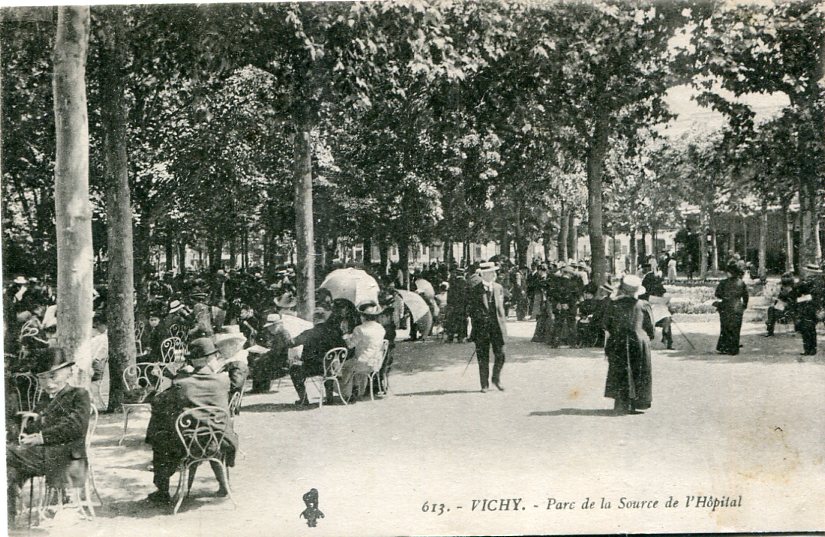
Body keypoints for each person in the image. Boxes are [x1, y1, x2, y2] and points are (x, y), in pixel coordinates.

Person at [144, 338, 238, 505]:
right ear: (211, 359)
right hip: (219, 441)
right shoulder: (223, 381)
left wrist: (174, 377)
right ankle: (224, 485)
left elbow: (158, 402)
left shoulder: (181, 383)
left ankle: (162, 491)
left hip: (188, 444)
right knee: (209, 430)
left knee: (159, 436)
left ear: (192, 361)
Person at [6, 348, 91, 521]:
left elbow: (75, 426)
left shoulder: (79, 394)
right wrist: (26, 429)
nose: (48, 383)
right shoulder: (45, 399)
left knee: (6, 453)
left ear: (68, 372)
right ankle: (8, 515)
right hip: (40, 456)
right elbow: (33, 427)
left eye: (53, 376)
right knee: (9, 469)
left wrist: (41, 437)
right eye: (43, 378)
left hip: (66, 456)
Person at [602, 275, 654, 414]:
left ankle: (621, 402)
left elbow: (606, 325)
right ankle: (636, 402)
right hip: (639, 341)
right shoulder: (643, 305)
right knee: (639, 370)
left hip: (618, 340)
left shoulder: (613, 304)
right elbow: (650, 328)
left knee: (620, 370)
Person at [288, 305, 346, 405]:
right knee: (327, 367)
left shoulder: (309, 333)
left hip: (312, 368)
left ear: (314, 319)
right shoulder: (334, 332)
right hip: (329, 368)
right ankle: (329, 398)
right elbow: (344, 348)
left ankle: (303, 399)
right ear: (324, 318)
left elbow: (292, 343)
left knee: (294, 369)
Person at [467, 261, 507, 392]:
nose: (494, 274)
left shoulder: (498, 287)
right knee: (483, 357)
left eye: (494, 271)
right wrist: (479, 319)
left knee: (501, 354)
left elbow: (501, 307)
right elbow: (471, 309)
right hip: (482, 329)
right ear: (484, 274)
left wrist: (502, 321)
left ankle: (496, 378)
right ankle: (484, 384)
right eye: (491, 272)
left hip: (497, 328)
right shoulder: (475, 289)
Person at [339, 302, 386, 402]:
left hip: (362, 363)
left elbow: (350, 345)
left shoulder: (359, 329)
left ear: (363, 316)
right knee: (359, 363)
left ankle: (346, 394)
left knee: (345, 366)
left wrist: (345, 336)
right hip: (376, 362)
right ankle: (360, 391)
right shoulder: (380, 328)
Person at [249, 313, 292, 393]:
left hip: (282, 362)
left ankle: (261, 388)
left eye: (271, 326)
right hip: (276, 358)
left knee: (261, 361)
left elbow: (278, 351)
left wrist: (265, 353)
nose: (269, 329)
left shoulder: (283, 334)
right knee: (259, 360)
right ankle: (259, 388)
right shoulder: (276, 333)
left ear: (277, 325)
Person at [714, 260, 749, 355]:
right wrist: (744, 305)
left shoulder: (723, 283)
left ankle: (724, 347)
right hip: (737, 307)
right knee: (736, 328)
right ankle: (734, 348)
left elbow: (717, 294)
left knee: (725, 327)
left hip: (725, 307)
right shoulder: (741, 283)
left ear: (729, 272)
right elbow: (746, 296)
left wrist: (725, 296)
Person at [793, 263, 824, 358]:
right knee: (812, 329)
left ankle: (808, 349)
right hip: (817, 308)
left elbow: (796, 290)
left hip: (807, 308)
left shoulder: (807, 282)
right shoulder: (821, 282)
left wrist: (800, 298)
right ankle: (813, 349)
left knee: (806, 329)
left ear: (809, 272)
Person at [640, 263, 673, 350]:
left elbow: (664, 295)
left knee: (666, 316)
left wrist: (665, 300)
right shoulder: (644, 290)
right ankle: (665, 336)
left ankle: (666, 337)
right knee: (666, 316)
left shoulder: (659, 288)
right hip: (649, 311)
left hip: (659, 311)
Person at [764, 272, 796, 337]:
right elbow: (779, 298)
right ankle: (770, 327)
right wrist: (776, 301)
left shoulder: (794, 288)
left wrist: (786, 302)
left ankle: (769, 326)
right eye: (784, 277)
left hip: (790, 308)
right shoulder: (782, 288)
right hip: (781, 307)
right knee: (771, 308)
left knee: (773, 311)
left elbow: (794, 300)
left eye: (787, 277)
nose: (785, 279)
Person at [530, 264, 554, 343]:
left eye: (541, 271)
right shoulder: (537, 279)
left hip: (548, 300)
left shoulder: (550, 278)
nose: (540, 272)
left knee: (549, 317)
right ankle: (540, 336)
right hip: (541, 300)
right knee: (541, 317)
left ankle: (548, 336)